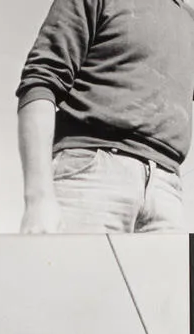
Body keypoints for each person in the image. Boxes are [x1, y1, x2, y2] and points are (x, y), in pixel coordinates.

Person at [16, 0, 194, 234]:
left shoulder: (189, 20)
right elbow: (40, 82)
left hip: (167, 190)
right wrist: (38, 198)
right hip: (91, 173)